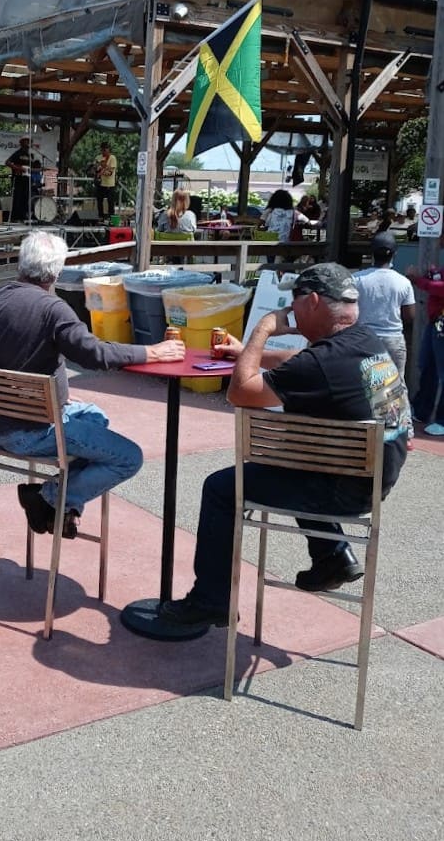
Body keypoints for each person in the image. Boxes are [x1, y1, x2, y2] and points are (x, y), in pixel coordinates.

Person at [158, 262, 410, 632]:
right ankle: (333, 555)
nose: (289, 313)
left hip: (340, 488)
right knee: (290, 464)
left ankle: (211, 601)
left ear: (311, 301)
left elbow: (240, 392)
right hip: (373, 477)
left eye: (292, 306)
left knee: (220, 489)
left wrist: (263, 329)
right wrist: (246, 353)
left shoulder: (321, 363)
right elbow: (300, 361)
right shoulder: (366, 341)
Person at [0, 230, 186, 537]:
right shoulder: (52, 309)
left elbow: (7, 358)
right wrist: (150, 352)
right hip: (34, 429)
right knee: (129, 458)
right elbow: (94, 354)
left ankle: (63, 508)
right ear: (57, 270)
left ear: (22, 263)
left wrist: (53, 395)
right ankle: (48, 498)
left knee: (95, 416)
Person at [353, 232, 414, 380]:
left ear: (372, 253)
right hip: (393, 340)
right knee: (396, 386)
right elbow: (410, 316)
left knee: (364, 384)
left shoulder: (356, 279)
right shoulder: (403, 282)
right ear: (394, 254)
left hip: (364, 339)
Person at [406, 249, 444, 436]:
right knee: (427, 366)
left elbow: (441, 288)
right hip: (435, 321)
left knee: (442, 372)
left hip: (442, 322)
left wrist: (419, 281)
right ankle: (421, 411)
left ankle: (442, 420)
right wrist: (432, 275)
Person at [5, 137, 39, 223]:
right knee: (18, 197)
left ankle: (24, 216)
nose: (28, 143)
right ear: (22, 143)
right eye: (26, 141)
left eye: (29, 141)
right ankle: (15, 217)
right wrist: (18, 168)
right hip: (18, 178)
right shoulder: (17, 153)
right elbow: (7, 162)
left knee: (26, 197)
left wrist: (40, 169)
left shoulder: (31, 155)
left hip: (27, 179)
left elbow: (31, 169)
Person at [93, 143, 117, 222]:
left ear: (108, 149)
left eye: (105, 149)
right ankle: (101, 217)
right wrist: (98, 169)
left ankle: (111, 219)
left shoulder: (112, 158)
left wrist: (102, 170)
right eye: (102, 149)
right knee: (99, 201)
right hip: (100, 183)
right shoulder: (98, 157)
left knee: (111, 202)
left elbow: (110, 172)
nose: (103, 151)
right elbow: (95, 168)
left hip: (110, 184)